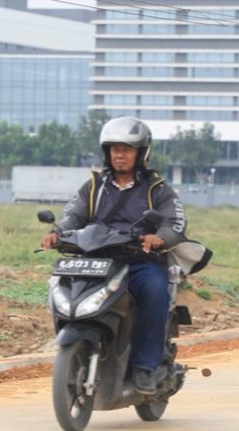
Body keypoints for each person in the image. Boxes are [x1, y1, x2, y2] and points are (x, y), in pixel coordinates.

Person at [41, 116, 187, 394]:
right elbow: (73, 216)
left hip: (141, 260)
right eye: (114, 149)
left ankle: (147, 367)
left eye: (127, 150)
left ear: (141, 153)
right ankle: (78, 343)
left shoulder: (158, 189)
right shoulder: (94, 187)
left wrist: (160, 237)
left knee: (154, 290)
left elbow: (175, 223)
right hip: (97, 259)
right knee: (64, 286)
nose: (120, 155)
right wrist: (57, 232)